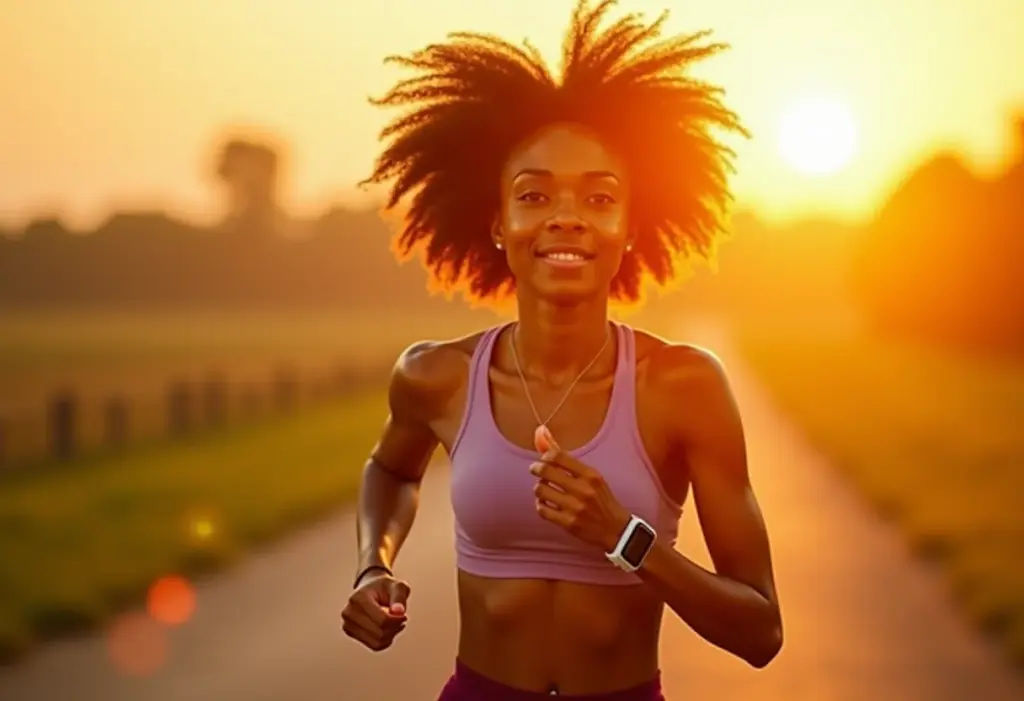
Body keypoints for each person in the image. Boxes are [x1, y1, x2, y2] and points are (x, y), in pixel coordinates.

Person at [341, 1, 783, 698]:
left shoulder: (683, 386)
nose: (567, 217)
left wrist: (624, 536)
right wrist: (374, 563)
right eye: (535, 195)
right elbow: (391, 470)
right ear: (498, 222)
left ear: (631, 227)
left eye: (599, 199)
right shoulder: (436, 376)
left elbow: (760, 631)